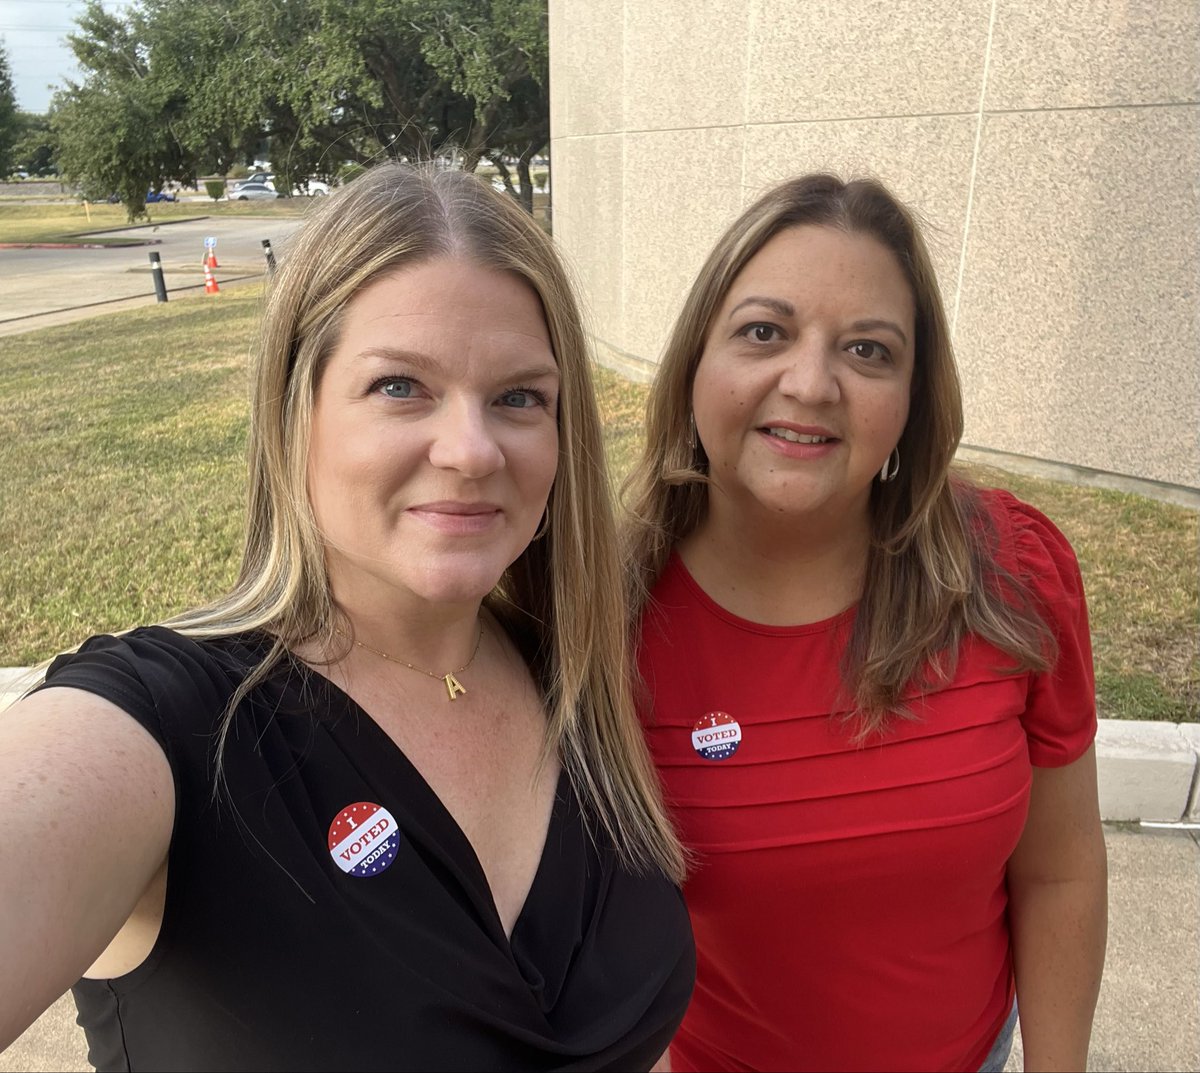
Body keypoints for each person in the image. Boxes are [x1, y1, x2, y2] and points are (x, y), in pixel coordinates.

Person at [0, 163, 694, 1071]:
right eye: (401, 386)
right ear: (297, 414)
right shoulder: (162, 727)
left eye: (520, 396)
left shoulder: (580, 681)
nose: (473, 449)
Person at [624, 173, 1107, 1072]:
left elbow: (1060, 871)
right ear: (697, 359)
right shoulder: (604, 616)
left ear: (913, 396)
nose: (810, 384)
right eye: (764, 332)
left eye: (869, 351)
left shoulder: (1012, 572)